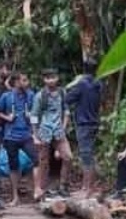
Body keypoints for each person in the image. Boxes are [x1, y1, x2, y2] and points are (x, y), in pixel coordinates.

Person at [0, 73, 38, 206]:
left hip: (26, 135)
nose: (27, 82)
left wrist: (33, 127)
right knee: (13, 166)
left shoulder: (31, 95)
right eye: (24, 80)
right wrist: (7, 118)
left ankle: (36, 191)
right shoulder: (6, 96)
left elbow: (36, 114)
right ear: (16, 82)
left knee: (36, 161)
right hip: (11, 136)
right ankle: (15, 196)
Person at [31, 68, 71, 198]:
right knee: (43, 162)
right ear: (44, 80)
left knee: (68, 157)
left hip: (59, 131)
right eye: (48, 78)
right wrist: (35, 135)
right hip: (44, 131)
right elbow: (34, 116)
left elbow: (66, 111)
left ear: (57, 78)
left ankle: (63, 186)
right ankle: (40, 189)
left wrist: (63, 128)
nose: (51, 80)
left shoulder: (62, 93)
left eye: (53, 77)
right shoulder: (40, 96)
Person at [66, 58, 104, 197]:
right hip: (94, 122)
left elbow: (67, 98)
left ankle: (87, 189)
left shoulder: (81, 84)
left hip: (83, 123)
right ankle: (87, 187)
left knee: (86, 156)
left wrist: (73, 82)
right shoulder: (98, 83)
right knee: (89, 155)